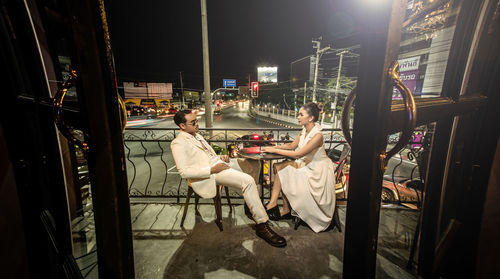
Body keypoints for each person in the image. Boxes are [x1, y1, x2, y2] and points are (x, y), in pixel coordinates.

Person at [170, 110, 286, 247]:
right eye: (193, 122)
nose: (197, 124)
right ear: (182, 126)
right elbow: (184, 172)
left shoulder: (197, 136)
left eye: (196, 121)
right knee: (247, 181)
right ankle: (262, 225)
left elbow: (206, 156)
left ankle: (250, 206)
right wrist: (212, 169)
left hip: (219, 164)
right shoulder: (178, 143)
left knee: (253, 163)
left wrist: (221, 158)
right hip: (211, 173)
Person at [261, 102, 336, 233]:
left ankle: (280, 207)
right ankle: (280, 207)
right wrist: (274, 147)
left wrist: (275, 150)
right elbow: (291, 146)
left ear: (311, 118)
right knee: (279, 166)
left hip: (317, 170)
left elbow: (298, 154)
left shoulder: (318, 135)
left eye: (301, 114)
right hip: (307, 164)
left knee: (281, 168)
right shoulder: (304, 130)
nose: (298, 117)